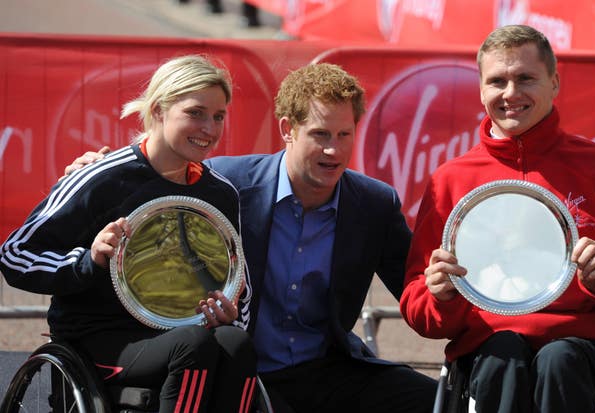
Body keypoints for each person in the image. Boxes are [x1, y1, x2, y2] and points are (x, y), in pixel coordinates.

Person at [64, 62, 438, 412]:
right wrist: (96, 170)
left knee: (434, 401)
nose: (333, 150)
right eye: (320, 134)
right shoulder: (224, 186)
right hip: (241, 370)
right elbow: (154, 182)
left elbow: (416, 287)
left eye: (344, 135)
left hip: (330, 366)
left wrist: (461, 299)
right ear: (287, 129)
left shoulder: (374, 202)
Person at [400, 24, 595, 412]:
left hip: (586, 348)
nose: (511, 93)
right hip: (489, 346)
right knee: (503, 358)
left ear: (555, 82)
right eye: (497, 81)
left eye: (525, 78)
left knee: (558, 361)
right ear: (481, 90)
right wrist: (440, 294)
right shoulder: (450, 180)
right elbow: (419, 310)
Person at [1, 54, 257, 412]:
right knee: (195, 345)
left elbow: (238, 282)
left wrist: (231, 314)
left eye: (218, 117)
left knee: (236, 342)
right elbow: (15, 254)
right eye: (195, 113)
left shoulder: (219, 193)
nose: (209, 129)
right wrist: (88, 259)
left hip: (181, 332)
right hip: (97, 338)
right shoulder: (101, 178)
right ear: (158, 109)